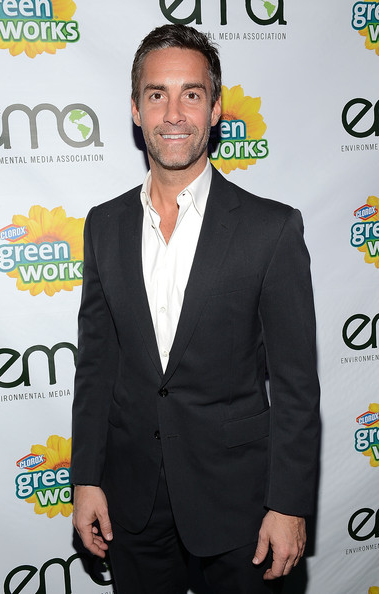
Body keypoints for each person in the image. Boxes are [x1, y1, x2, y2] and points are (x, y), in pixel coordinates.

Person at [71, 23, 320, 594]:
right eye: (157, 94)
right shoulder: (103, 225)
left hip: (240, 502)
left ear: (215, 109)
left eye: (191, 94)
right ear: (136, 109)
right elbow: (96, 366)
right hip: (132, 499)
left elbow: (296, 386)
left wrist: (288, 504)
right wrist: (85, 478)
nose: (174, 113)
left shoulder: (271, 229)